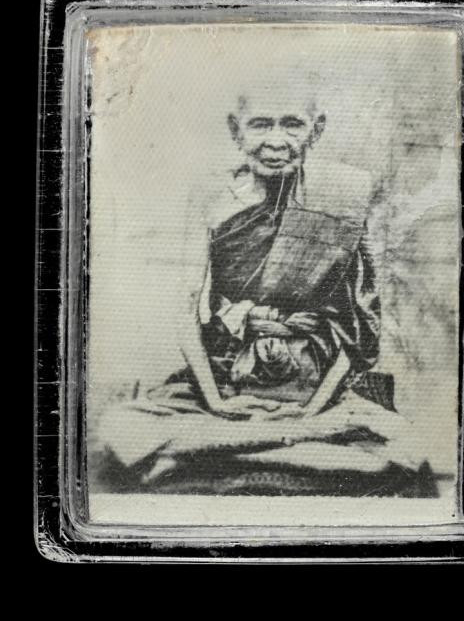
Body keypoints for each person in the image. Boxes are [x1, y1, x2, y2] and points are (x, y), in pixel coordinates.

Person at [96, 85, 435, 496]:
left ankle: (245, 444)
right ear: (235, 130)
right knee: (120, 426)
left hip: (311, 389)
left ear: (316, 130)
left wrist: (312, 411)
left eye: (292, 124)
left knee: (405, 447)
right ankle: (286, 441)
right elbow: (186, 315)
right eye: (260, 124)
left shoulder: (345, 197)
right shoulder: (211, 199)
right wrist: (217, 403)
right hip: (226, 383)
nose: (276, 141)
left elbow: (360, 329)